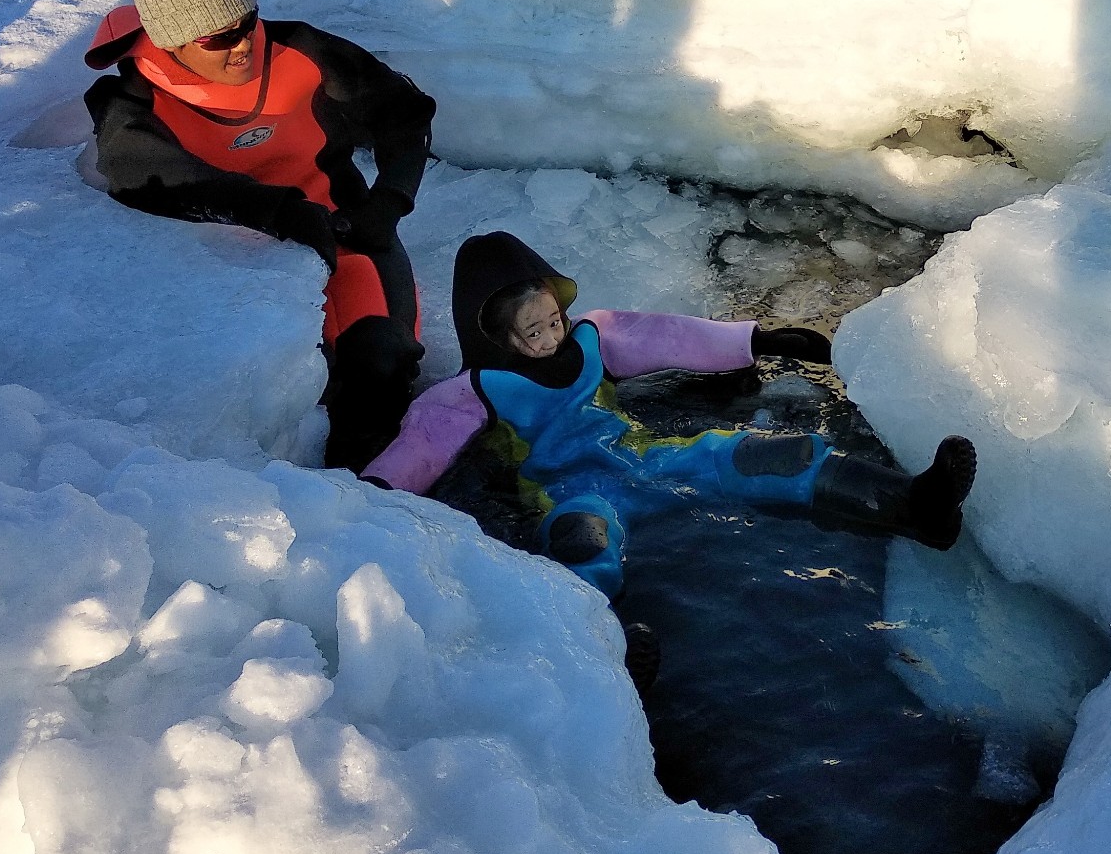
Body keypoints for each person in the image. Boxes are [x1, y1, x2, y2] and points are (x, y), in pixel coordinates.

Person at [361, 230, 977, 598]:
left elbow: (671, 338)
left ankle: (914, 504)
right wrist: (364, 492)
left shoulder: (593, 339)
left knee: (764, 453)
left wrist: (765, 339)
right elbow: (420, 450)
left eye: (553, 319)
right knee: (581, 546)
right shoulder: (473, 393)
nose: (551, 335)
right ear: (493, 336)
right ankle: (606, 650)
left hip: (645, 456)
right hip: (568, 491)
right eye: (532, 332)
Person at [83, 0, 435, 469]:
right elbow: (150, 182)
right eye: (219, 37)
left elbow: (404, 116)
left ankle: (381, 508)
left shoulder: (303, 53)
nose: (243, 43)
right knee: (292, 389)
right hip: (236, 266)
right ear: (171, 41)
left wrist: (388, 200)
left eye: (247, 20)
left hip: (347, 233)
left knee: (383, 363)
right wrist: (279, 214)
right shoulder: (137, 107)